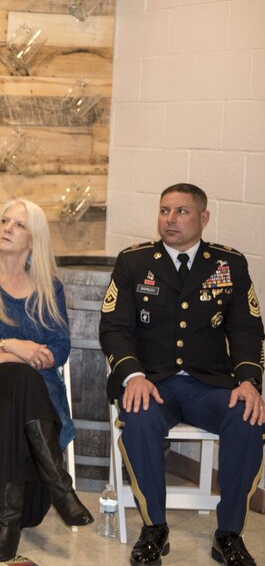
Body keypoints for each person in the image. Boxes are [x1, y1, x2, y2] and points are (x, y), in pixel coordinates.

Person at [99, 183, 264, 566]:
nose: (169, 220)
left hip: (211, 385)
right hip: (152, 382)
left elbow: (247, 330)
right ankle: (154, 528)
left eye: (181, 212)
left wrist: (248, 382)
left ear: (204, 218)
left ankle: (229, 534)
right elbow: (114, 327)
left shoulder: (229, 265)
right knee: (138, 417)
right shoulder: (134, 262)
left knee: (248, 417)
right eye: (164, 211)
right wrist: (132, 376)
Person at [0, 199, 93, 562]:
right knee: (20, 376)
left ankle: (8, 524)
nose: (7, 228)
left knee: (21, 389)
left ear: (34, 240)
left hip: (33, 394)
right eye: (4, 221)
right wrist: (14, 346)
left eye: (19, 225)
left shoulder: (49, 288)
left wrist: (3, 354)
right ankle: (61, 487)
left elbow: (59, 349)